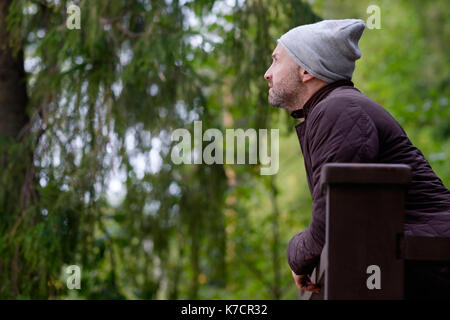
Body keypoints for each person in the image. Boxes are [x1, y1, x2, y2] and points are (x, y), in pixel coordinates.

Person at [263, 19, 450, 299]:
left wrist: (296, 253)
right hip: (419, 259)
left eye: (276, 60)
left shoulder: (339, 110)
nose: (267, 73)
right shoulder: (335, 109)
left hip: (432, 261)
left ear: (305, 70)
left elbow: (333, 217)